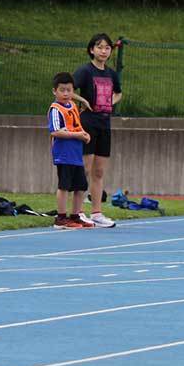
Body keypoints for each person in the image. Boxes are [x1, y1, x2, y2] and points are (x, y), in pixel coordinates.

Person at [73, 33, 122, 228]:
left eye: (107, 48)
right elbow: (67, 89)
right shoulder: (85, 71)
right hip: (88, 123)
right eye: (99, 47)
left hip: (104, 124)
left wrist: (110, 101)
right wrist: (83, 102)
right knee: (85, 168)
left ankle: (96, 213)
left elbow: (118, 93)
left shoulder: (111, 74)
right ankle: (78, 212)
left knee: (99, 171)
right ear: (91, 50)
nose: (103, 51)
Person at [48, 72, 93, 229]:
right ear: (55, 91)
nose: (66, 94)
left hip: (76, 153)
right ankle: (61, 218)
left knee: (81, 186)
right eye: (62, 90)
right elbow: (55, 131)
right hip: (64, 154)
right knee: (64, 186)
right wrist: (77, 135)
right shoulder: (56, 109)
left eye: (69, 90)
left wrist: (84, 134)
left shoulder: (73, 106)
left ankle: (75, 216)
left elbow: (76, 126)